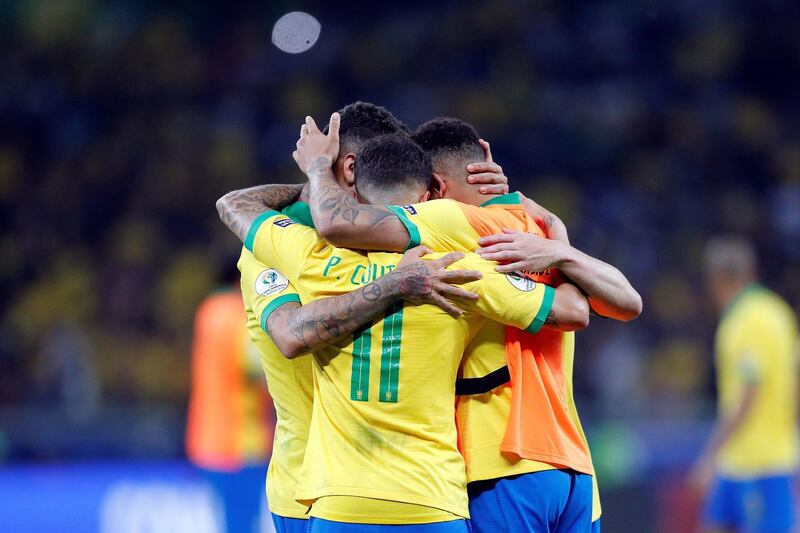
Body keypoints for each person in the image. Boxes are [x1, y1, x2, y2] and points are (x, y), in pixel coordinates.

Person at [218, 119, 592, 532]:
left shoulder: (296, 252)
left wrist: (312, 173)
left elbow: (233, 203)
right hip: (367, 493)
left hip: (333, 496)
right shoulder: (453, 263)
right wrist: (533, 221)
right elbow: (289, 336)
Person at [296, 114, 641, 532]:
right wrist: (564, 249)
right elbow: (623, 304)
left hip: (501, 462)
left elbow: (336, 223)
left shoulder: (448, 222)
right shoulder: (537, 224)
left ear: (436, 189)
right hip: (575, 470)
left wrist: (318, 168)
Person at [690, 236, 799, 533]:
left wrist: (710, 454)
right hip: (760, 454)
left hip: (757, 462)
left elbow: (749, 393)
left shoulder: (744, 321)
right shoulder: (778, 312)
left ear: (715, 278)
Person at [185, 263, 274, 533]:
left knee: (229, 522)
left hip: (206, 438)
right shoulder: (238, 314)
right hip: (241, 442)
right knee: (243, 523)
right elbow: (256, 365)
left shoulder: (207, 310)